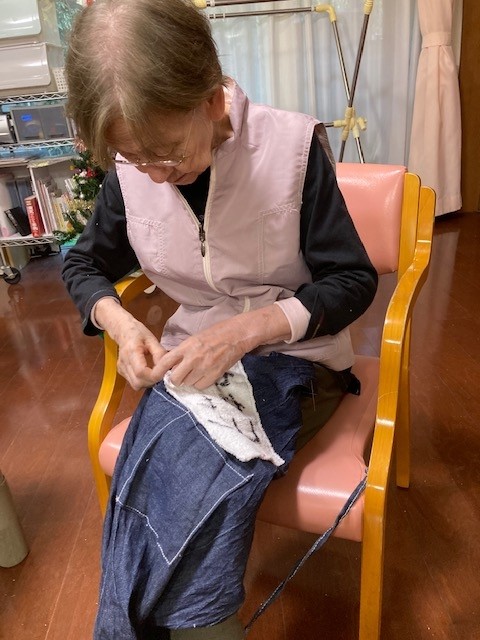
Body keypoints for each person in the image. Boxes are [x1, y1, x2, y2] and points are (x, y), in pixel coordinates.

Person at [62, 1, 378, 638]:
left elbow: (353, 282)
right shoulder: (133, 167)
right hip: (191, 366)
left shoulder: (291, 150)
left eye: (167, 152)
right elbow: (82, 262)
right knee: (160, 489)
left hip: (296, 361)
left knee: (189, 497)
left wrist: (243, 331)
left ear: (211, 100)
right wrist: (121, 324)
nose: (155, 175)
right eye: (134, 159)